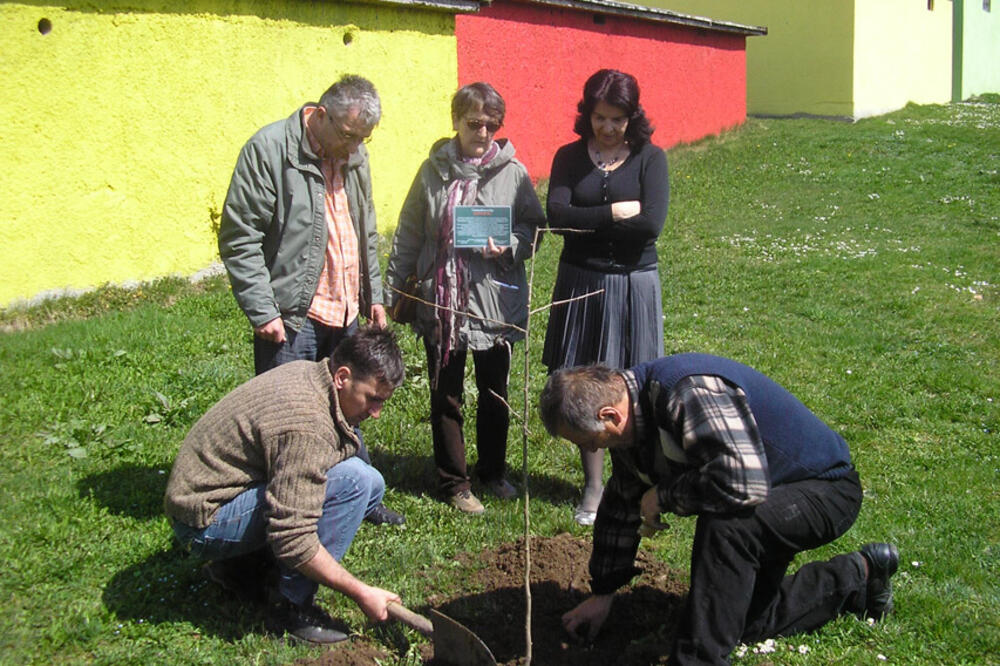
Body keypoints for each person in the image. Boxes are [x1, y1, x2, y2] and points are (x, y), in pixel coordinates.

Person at [539, 354, 900, 665]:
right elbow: (622, 503)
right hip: (772, 495)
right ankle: (860, 576)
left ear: (609, 416)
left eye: (588, 441)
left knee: (727, 525)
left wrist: (664, 496)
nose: (591, 450)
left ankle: (697, 659)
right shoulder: (631, 423)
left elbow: (741, 482)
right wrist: (604, 592)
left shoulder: (686, 392)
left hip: (825, 489)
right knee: (742, 620)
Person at [217, 74, 402, 525]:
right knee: (289, 420)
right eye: (348, 135)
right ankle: (287, 510)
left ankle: (360, 495)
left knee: (353, 407)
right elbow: (240, 238)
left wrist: (373, 295)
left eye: (364, 138)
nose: (355, 146)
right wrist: (263, 310)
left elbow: (365, 230)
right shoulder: (268, 151)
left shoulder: (355, 156)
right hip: (292, 315)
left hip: (346, 309)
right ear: (320, 116)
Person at [164, 328, 406, 645]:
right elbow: (292, 536)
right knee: (355, 482)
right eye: (373, 399)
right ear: (342, 377)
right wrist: (361, 592)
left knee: (371, 482)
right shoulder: (307, 422)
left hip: (224, 492)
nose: (376, 413)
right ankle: (291, 606)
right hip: (203, 520)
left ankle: (242, 569)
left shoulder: (312, 374)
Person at [386, 82, 544, 514]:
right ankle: (455, 483)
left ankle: (493, 472)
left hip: (494, 302)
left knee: (495, 392)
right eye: (475, 123)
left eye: (492, 125)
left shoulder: (513, 173)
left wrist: (509, 246)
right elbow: (410, 232)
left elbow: (534, 230)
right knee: (446, 395)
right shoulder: (431, 171)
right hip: (442, 302)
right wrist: (394, 289)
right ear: (455, 120)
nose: (483, 132)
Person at [542, 69, 669, 526]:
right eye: (599, 117)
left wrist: (587, 219)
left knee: (630, 383)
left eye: (617, 119)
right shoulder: (569, 158)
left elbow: (652, 224)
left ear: (631, 117)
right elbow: (557, 217)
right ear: (587, 114)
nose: (607, 128)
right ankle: (593, 487)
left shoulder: (651, 159)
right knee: (583, 387)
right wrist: (615, 212)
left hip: (634, 283)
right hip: (581, 282)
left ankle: (631, 481)